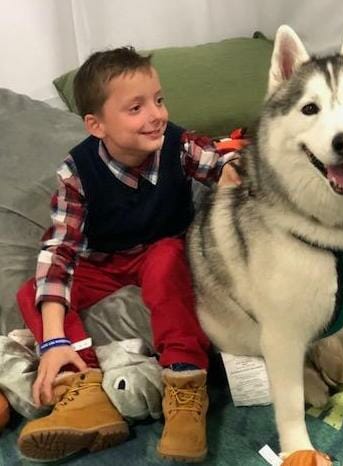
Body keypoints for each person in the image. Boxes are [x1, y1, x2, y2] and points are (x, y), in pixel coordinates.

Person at [16, 46, 239, 463]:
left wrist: (234, 169)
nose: (155, 114)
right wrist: (54, 339)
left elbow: (221, 159)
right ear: (96, 124)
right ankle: (82, 388)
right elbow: (59, 250)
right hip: (103, 260)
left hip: (162, 249)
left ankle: (184, 382)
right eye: (135, 107)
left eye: (158, 99)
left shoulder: (177, 143)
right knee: (33, 291)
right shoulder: (76, 172)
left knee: (168, 257)